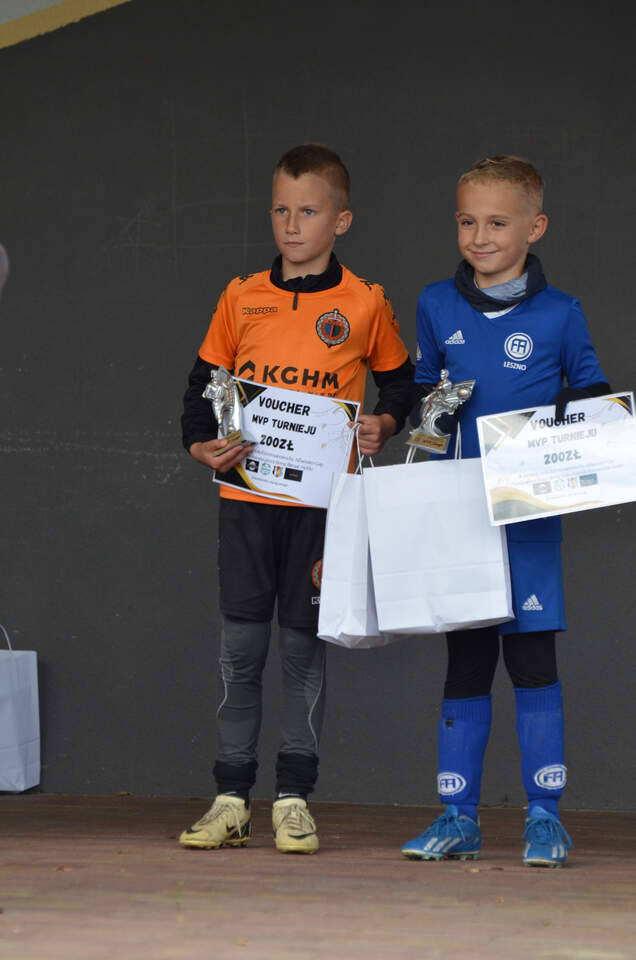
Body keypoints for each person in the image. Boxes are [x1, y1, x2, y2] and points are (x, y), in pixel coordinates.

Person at [180, 143, 414, 854]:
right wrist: (200, 445)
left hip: (322, 512)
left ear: (341, 220)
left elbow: (402, 386)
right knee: (240, 651)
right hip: (249, 505)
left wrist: (383, 423)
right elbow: (200, 390)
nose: (291, 224)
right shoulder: (240, 295)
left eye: (308, 211)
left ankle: (292, 800)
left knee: (301, 652)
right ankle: (230, 798)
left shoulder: (365, 301)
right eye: (280, 210)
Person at [402, 155, 609, 868]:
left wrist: (575, 424)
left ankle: (545, 818)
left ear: (534, 227)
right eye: (467, 222)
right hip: (460, 513)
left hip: (528, 517)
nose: (479, 237)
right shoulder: (436, 303)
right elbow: (422, 395)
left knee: (531, 660)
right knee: (465, 661)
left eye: (496, 223)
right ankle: (457, 817)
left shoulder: (561, 313)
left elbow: (592, 395)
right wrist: (423, 413)